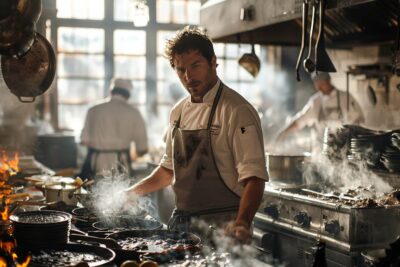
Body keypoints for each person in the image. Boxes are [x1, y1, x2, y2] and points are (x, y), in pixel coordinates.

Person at [124, 27, 268, 243]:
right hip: (182, 225)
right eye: (181, 70)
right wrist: (132, 192)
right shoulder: (178, 112)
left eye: (195, 66)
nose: (188, 77)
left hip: (223, 228)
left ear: (213, 62)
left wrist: (242, 222)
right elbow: (168, 170)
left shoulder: (236, 110)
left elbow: (255, 179)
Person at [80, 78, 148, 179]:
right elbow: (142, 149)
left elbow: (84, 141)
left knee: (95, 193)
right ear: (128, 95)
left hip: (96, 166)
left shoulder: (93, 110)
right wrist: (133, 156)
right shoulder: (134, 113)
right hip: (121, 165)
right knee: (120, 192)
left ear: (111, 91)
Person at [276, 72, 364, 148]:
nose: (320, 89)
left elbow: (359, 120)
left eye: (322, 85)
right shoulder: (316, 101)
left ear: (329, 81)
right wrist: (285, 132)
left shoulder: (346, 98)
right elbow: (300, 120)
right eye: (318, 87)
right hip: (321, 151)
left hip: (343, 149)